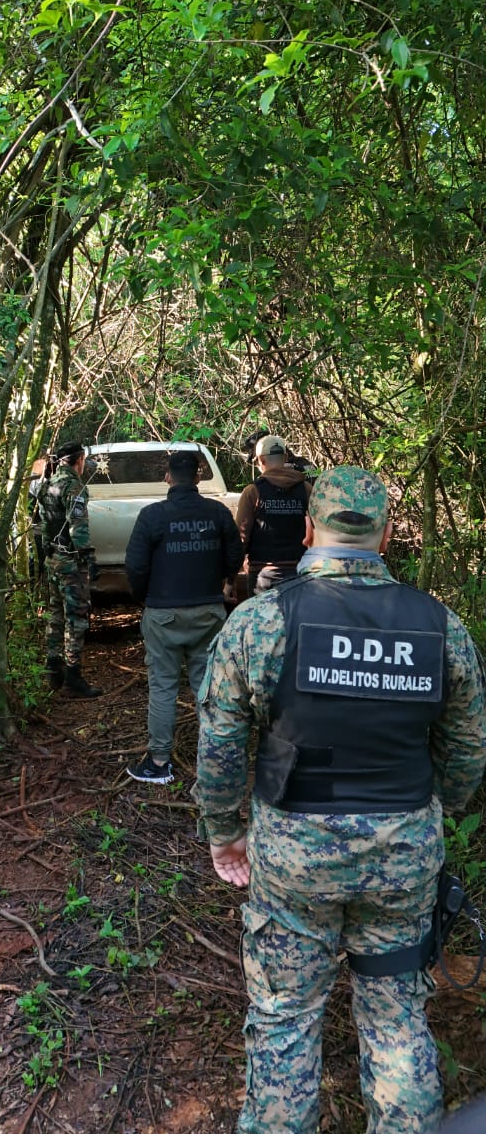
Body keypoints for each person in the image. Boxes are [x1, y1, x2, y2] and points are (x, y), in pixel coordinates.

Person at [193, 466, 486, 1134]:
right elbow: (469, 749)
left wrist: (222, 831)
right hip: (403, 856)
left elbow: (220, 747)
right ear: (384, 538)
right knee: (397, 1017)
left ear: (305, 531)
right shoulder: (439, 626)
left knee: (284, 1019)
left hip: (296, 861)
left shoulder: (260, 622)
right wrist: (427, 812)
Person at [124, 449, 245, 784]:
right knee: (207, 685)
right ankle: (216, 758)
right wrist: (221, 580)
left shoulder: (152, 516)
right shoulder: (217, 513)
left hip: (163, 614)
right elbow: (235, 554)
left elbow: (134, 566)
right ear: (197, 477)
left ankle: (160, 762)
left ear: (167, 477)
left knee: (163, 686)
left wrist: (145, 599)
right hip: (208, 611)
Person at [37, 441, 102, 698]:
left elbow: (44, 527)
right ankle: (73, 676)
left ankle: (53, 670)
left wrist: (44, 558)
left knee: (55, 614)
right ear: (79, 460)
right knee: (75, 617)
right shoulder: (73, 486)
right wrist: (89, 557)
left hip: (52, 559)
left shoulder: (47, 485)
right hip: (69, 562)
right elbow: (78, 527)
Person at [236, 433, 312, 595]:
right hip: (299, 572)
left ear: (261, 460)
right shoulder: (306, 489)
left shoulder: (253, 492)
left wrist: (230, 579)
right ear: (285, 457)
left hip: (263, 576)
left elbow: (241, 537)